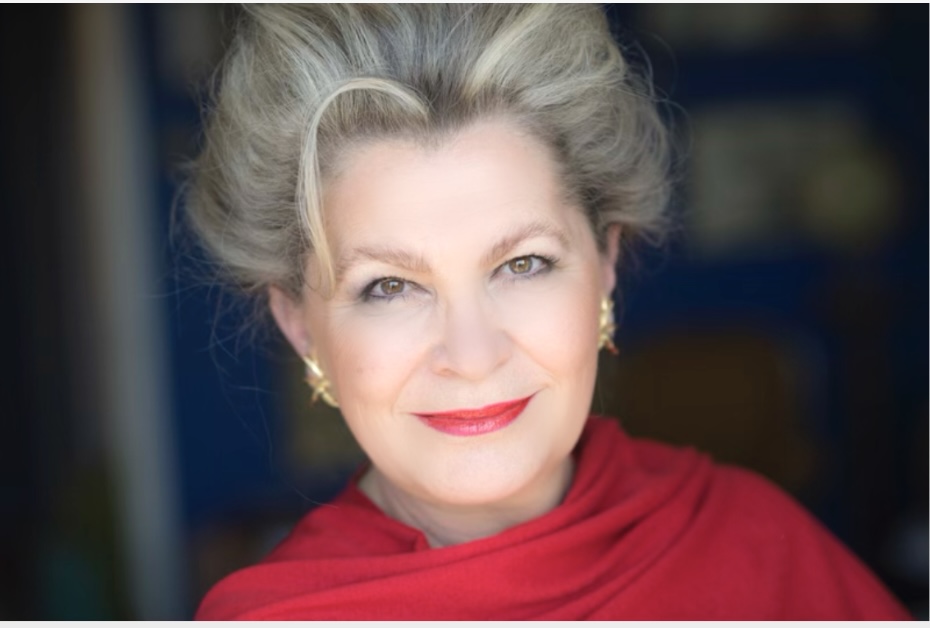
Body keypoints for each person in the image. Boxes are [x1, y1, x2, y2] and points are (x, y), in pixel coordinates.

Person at [184, 5, 910, 620]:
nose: (472, 355)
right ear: (299, 322)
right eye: (390, 286)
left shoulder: (757, 548)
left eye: (522, 264)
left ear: (606, 263)